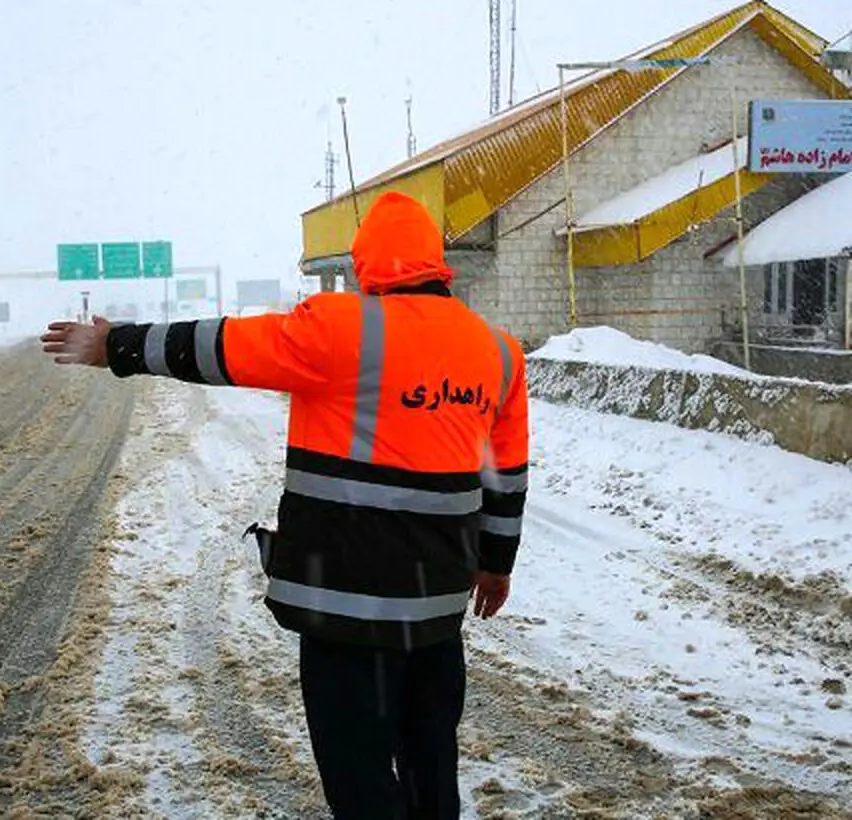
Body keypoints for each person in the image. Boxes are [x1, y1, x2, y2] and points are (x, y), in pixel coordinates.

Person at [40, 191, 529, 819]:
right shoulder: (499, 352)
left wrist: (118, 346)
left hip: (345, 608)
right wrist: (496, 562)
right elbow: (507, 475)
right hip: (436, 609)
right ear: (437, 263)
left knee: (359, 774)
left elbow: (219, 348)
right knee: (431, 758)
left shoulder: (339, 327)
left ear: (368, 263)